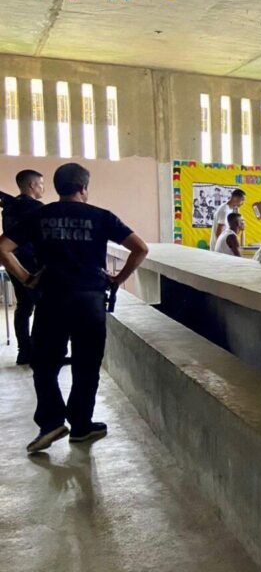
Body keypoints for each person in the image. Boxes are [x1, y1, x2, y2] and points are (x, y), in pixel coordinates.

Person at [0, 163, 149, 453]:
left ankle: (51, 422)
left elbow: (3, 247)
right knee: (86, 364)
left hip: (51, 298)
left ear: (58, 188)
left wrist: (27, 278)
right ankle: (81, 426)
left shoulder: (40, 215)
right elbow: (140, 248)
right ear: (83, 188)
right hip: (90, 300)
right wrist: (118, 278)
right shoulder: (101, 217)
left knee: (45, 363)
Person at [1, 170, 46, 365]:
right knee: (44, 307)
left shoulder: (9, 207)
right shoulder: (37, 208)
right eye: (41, 184)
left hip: (13, 262)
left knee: (23, 307)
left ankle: (24, 351)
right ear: (32, 185)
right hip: (33, 264)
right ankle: (40, 351)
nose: (43, 188)